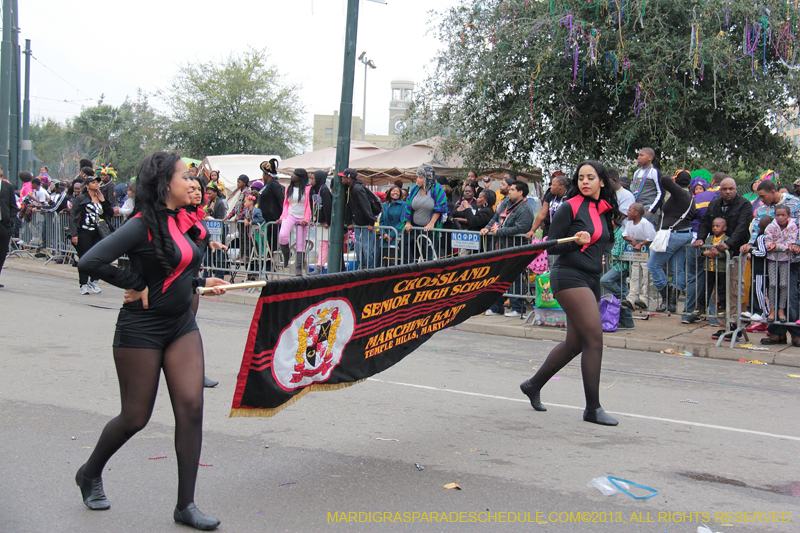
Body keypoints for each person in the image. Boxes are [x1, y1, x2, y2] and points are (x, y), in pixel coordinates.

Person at [76, 151, 226, 530]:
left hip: (180, 326)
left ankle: (185, 505)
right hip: (140, 329)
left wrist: (201, 283)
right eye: (184, 176)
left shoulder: (180, 221)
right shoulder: (142, 224)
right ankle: (89, 473)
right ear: (164, 185)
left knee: (191, 408)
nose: (191, 182)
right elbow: (89, 262)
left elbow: (175, 270)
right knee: (135, 417)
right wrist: (134, 283)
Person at [519, 160, 622, 426]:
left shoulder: (603, 210)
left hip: (591, 279)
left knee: (575, 344)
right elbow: (551, 246)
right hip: (568, 276)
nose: (584, 182)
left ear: (602, 181)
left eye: (590, 177)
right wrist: (576, 243)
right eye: (580, 178)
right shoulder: (570, 206)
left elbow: (603, 246)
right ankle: (592, 409)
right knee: (594, 340)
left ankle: (533, 385)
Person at [694, 177, 754, 340]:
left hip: (734, 253)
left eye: (731, 189)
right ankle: (723, 325)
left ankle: (733, 324)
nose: (728, 192)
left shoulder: (744, 205)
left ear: (735, 189)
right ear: (720, 190)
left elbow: (742, 227)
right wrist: (700, 238)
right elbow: (705, 222)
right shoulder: (715, 204)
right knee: (717, 292)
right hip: (715, 255)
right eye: (725, 189)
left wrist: (729, 243)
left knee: (733, 289)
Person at [185, 177, 228, 388]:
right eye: (190, 188)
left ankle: (191, 372)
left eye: (198, 189)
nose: (195, 192)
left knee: (187, 326)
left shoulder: (196, 213)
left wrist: (210, 242)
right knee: (185, 327)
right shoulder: (175, 215)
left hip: (192, 276)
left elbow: (197, 236)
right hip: (181, 279)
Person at [480, 181, 534, 317]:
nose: (509, 191)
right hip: (500, 247)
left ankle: (517, 308)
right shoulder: (505, 203)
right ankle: (496, 307)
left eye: (513, 189)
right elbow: (495, 217)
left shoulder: (525, 208)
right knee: (496, 277)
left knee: (514, 278)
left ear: (520, 192)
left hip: (516, 249)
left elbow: (522, 228)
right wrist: (487, 228)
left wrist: (500, 231)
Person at [646, 170, 695, 313]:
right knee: (677, 269)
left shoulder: (680, 194)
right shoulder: (690, 197)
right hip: (684, 234)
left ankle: (667, 297)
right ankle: (672, 304)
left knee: (653, 265)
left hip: (674, 235)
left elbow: (665, 180)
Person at [682, 172, 724, 324]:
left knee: (695, 277)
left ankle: (689, 313)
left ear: (712, 182)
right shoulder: (730, 199)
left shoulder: (698, 198)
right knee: (716, 280)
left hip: (696, 240)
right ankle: (714, 318)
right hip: (718, 243)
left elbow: (689, 218)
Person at [68, 175, 115, 295]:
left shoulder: (101, 197)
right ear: (87, 185)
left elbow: (109, 213)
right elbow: (74, 216)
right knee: (84, 258)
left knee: (99, 258)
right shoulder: (81, 198)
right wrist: (74, 233)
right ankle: (83, 284)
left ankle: (94, 280)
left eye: (97, 182)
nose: (96, 184)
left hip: (99, 232)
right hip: (85, 231)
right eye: (93, 182)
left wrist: (103, 201)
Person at [403, 165, 449, 263]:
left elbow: (440, 206)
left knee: (429, 252)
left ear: (428, 178)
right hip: (414, 226)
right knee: (403, 243)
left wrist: (432, 223)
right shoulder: (415, 189)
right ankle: (410, 267)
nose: (417, 180)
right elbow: (408, 206)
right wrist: (407, 222)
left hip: (428, 227)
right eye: (417, 177)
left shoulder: (437, 188)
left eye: (420, 178)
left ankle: (430, 273)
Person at [764, 205, 798, 322]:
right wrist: (771, 246)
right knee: (773, 284)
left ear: (788, 215)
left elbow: (791, 242)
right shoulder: (770, 227)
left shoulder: (792, 227)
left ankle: (781, 310)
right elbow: (768, 241)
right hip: (772, 259)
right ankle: (772, 310)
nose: (780, 217)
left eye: (783, 215)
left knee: (783, 284)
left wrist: (777, 246)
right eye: (778, 215)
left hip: (786, 260)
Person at [340, 168, 378, 269]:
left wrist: (371, 222)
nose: (342, 179)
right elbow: (350, 207)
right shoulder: (351, 188)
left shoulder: (357, 189)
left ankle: (368, 269)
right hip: (359, 224)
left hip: (365, 224)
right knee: (359, 248)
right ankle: (362, 267)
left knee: (366, 248)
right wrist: (349, 221)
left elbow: (365, 206)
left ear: (349, 178)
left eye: (343, 177)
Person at [621, 203, 656, 310]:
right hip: (636, 256)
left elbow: (651, 237)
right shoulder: (629, 223)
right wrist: (632, 240)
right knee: (635, 276)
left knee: (646, 277)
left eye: (630, 210)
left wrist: (641, 244)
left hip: (647, 255)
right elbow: (625, 235)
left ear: (636, 213)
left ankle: (644, 299)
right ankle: (631, 299)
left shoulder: (645, 223)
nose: (627, 212)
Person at [601, 218, 634, 329]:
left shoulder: (619, 233)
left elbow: (618, 253)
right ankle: (627, 322)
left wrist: (607, 249)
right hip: (615, 265)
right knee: (621, 293)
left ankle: (621, 295)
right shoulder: (613, 233)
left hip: (620, 266)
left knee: (605, 280)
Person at [694, 218, 729, 319]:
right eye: (713, 226)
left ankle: (721, 308)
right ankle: (701, 307)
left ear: (724, 228)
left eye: (717, 226)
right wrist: (705, 253)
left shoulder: (726, 240)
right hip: (709, 269)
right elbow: (703, 250)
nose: (714, 228)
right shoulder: (709, 239)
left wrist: (719, 254)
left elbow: (728, 253)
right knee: (706, 289)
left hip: (721, 269)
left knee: (721, 290)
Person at [279, 168, 312, 275]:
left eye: (295, 174)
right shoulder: (289, 188)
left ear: (301, 177)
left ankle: (298, 268)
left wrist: (306, 219)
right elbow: (286, 204)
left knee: (300, 243)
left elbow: (309, 206)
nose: (292, 176)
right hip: (290, 214)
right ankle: (286, 255)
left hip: (302, 217)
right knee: (282, 235)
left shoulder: (308, 189)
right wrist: (282, 217)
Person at [258, 160, 284, 271]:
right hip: (264, 220)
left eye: (263, 174)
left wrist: (281, 216)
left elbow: (282, 201)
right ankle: (265, 265)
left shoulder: (274, 185)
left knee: (271, 243)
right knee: (265, 244)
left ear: (267, 174)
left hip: (272, 219)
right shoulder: (266, 185)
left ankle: (270, 267)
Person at [527, 173, 568, 239]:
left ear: (561, 187)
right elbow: (542, 214)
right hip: (550, 230)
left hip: (564, 232)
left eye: (553, 185)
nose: (551, 187)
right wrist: (532, 230)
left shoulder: (570, 196)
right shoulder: (551, 194)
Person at [631, 148, 663, 224]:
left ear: (650, 158)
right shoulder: (636, 172)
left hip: (649, 207)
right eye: (638, 155)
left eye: (642, 155)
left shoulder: (654, 172)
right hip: (638, 209)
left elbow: (661, 192)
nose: (639, 157)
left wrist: (652, 210)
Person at [310, 170, 332, 273]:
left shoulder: (324, 190)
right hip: (319, 221)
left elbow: (328, 206)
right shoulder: (314, 190)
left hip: (326, 223)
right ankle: (319, 266)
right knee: (322, 245)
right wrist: (313, 220)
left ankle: (324, 266)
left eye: (313, 178)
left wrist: (328, 221)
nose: (311, 181)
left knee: (327, 244)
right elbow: (313, 206)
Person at [379, 185, 405, 266]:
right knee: (384, 260)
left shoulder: (403, 205)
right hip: (385, 237)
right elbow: (381, 221)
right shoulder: (384, 205)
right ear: (389, 193)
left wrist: (391, 235)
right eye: (393, 191)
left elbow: (402, 222)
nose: (395, 193)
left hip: (396, 236)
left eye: (397, 191)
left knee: (394, 260)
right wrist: (384, 233)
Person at [0, 166, 18, 287]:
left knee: (2, 251)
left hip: (3, 223)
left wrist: (10, 220)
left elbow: (13, 205)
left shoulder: (8, 187)